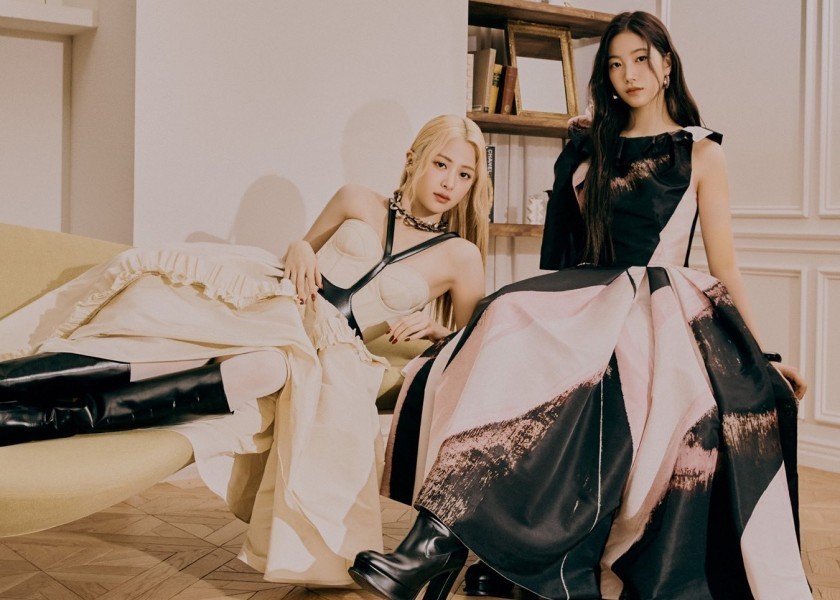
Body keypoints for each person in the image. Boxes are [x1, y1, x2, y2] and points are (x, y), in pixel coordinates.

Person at [349, 12, 811, 600]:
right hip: (590, 293)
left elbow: (727, 266)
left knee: (595, 379)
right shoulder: (586, 147)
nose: (629, 74)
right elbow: (566, 256)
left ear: (667, 64)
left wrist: (760, 356)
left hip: (662, 305)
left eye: (641, 59)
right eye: (615, 64)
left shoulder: (700, 153)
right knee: (502, 320)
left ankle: (455, 550)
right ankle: (439, 540)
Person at [0, 114, 492, 585]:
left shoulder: (460, 256)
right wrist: (299, 247)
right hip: (281, 303)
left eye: (464, 174)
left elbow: (475, 341)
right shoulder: (356, 198)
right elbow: (301, 250)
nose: (449, 182)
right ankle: (13, 396)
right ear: (412, 159)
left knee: (267, 367)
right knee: (171, 340)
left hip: (330, 344)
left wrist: (435, 329)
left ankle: (38, 420)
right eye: (441, 163)